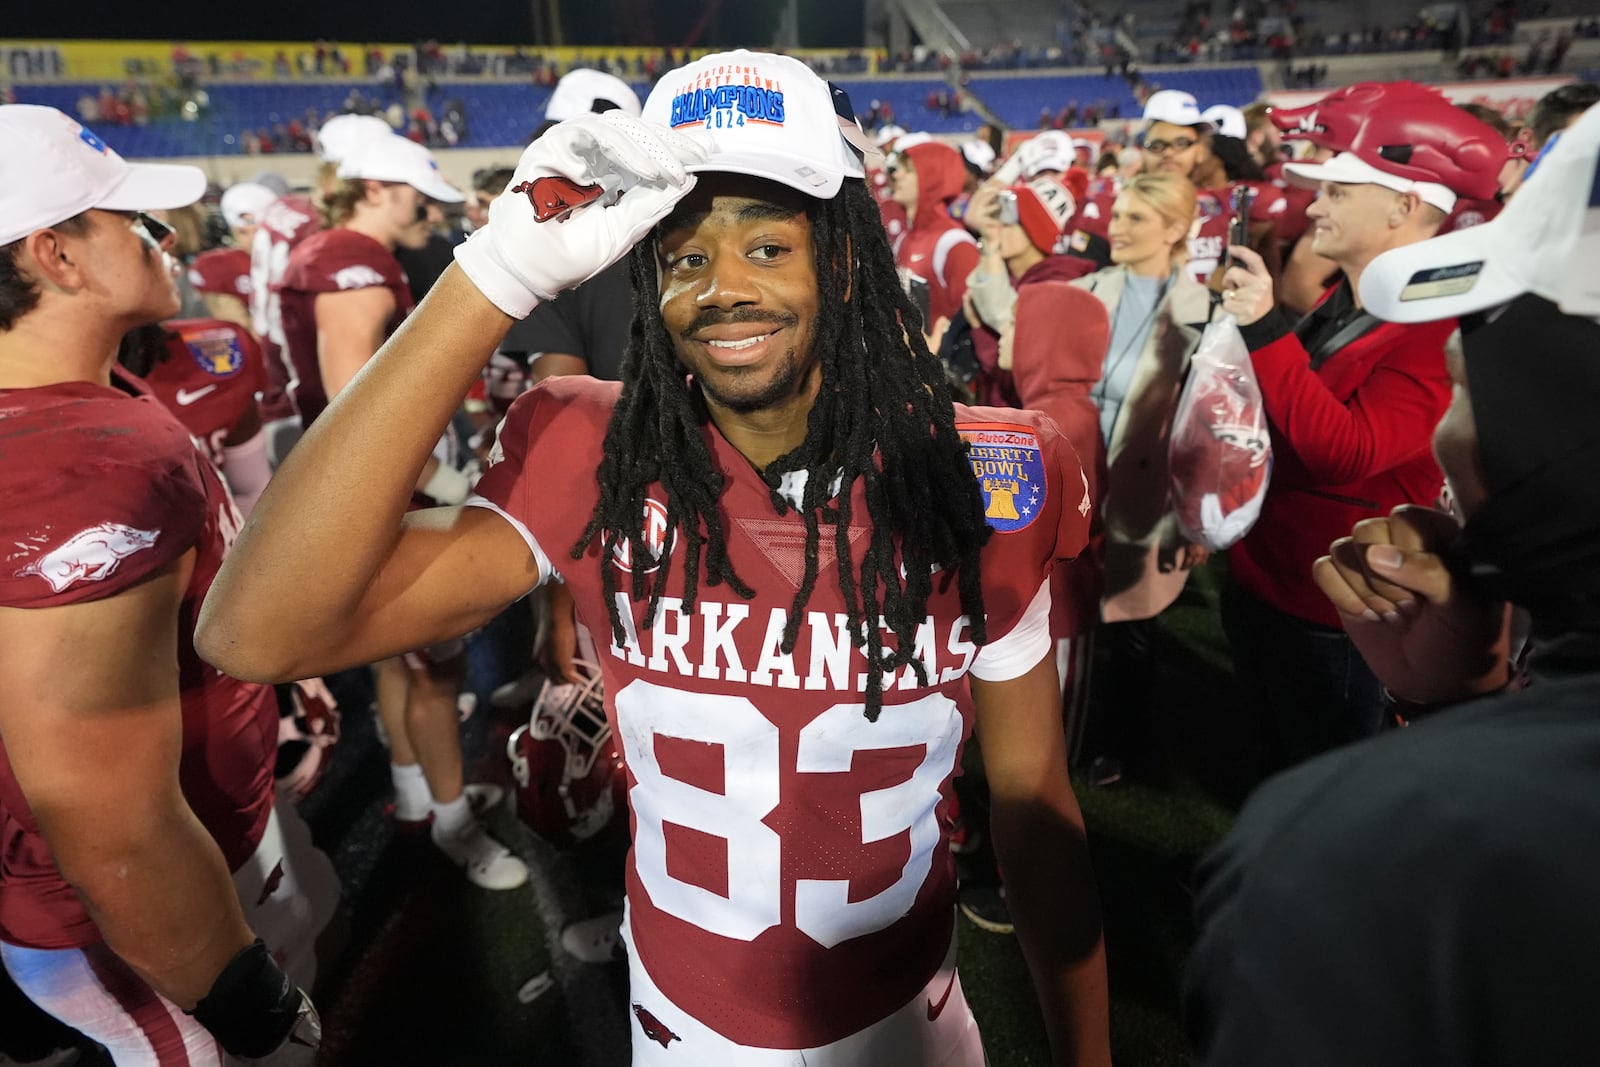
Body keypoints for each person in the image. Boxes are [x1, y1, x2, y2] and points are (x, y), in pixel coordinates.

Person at [199, 48, 1112, 1066]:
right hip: (685, 1030)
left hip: (911, 1019)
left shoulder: (982, 475)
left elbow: (1031, 804)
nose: (723, 287)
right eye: (682, 255)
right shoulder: (586, 448)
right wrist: (492, 274)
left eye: (768, 246)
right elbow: (253, 628)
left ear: (845, 256)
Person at [1186, 100, 1600, 1066]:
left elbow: (1356, 449)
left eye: (1475, 373)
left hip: (1343, 607)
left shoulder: (1363, 845)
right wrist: (1462, 702)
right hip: (1315, 587)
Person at [0, 104, 323, 1066]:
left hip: (179, 855)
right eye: (130, 219)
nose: (165, 235)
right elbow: (112, 820)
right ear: (56, 257)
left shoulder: (75, 393)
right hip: (121, 914)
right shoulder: (79, 459)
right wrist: (253, 1009)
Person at [1215, 94, 1504, 777]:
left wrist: (1262, 329)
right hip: (1274, 574)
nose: (1314, 206)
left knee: (1322, 780)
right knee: (1269, 757)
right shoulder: (1353, 295)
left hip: (1340, 603)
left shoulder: (1439, 322)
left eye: (1338, 191)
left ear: (1404, 208)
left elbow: (1347, 451)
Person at [277, 132, 528, 891]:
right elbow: (364, 412)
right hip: (387, 491)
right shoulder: (352, 262)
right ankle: (453, 823)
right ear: (378, 188)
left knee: (399, 655)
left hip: (366, 489)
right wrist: (442, 482)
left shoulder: (326, 252)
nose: (431, 211)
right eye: (420, 195)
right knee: (436, 670)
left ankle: (420, 800)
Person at [1066, 174, 1215, 783]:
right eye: (1117, 214)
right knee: (1068, 619)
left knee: (1131, 628)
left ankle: (1121, 744)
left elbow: (1209, 425)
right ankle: (1065, 732)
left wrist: (1197, 512)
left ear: (1175, 230)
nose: (1115, 227)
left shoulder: (1208, 311)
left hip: (1147, 495)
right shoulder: (1085, 291)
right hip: (1076, 479)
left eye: (1134, 219)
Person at [889, 139, 981, 344]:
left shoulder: (955, 244)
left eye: (908, 170)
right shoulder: (904, 239)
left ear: (931, 179)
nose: (896, 175)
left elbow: (970, 327)